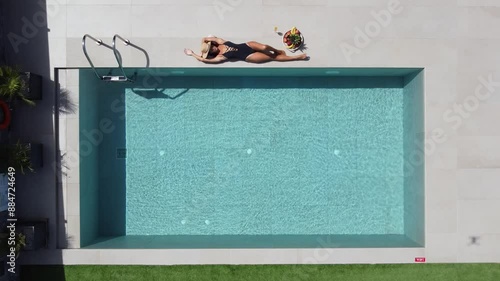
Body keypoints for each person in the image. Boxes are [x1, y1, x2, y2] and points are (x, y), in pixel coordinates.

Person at [184, 36, 309, 64]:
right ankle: (297, 58)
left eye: (212, 45)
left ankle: (277, 50)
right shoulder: (220, 57)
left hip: (246, 45)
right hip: (247, 57)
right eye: (211, 48)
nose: (213, 46)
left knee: (265, 47)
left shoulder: (220, 42)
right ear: (211, 52)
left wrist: (204, 44)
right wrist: (193, 54)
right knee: (272, 58)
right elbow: (205, 61)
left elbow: (206, 37)